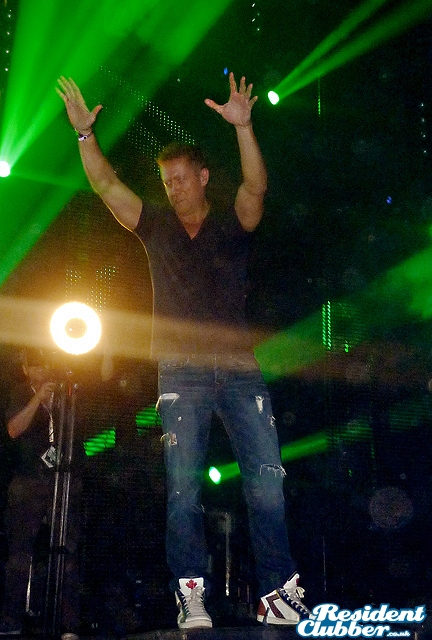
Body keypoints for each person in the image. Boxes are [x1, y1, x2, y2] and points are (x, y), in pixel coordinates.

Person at [56, 72, 311, 629]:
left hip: (240, 370)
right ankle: (190, 593)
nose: (172, 188)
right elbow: (106, 185)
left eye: (179, 179)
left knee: (267, 479)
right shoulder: (155, 226)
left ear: (202, 177)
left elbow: (256, 190)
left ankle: (277, 590)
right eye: (165, 181)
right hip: (181, 373)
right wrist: (84, 135)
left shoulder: (230, 225)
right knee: (182, 490)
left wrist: (243, 127)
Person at [0, 348, 83, 640]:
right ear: (26, 369)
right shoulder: (19, 393)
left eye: (46, 366)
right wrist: (37, 399)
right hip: (28, 482)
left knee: (67, 552)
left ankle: (68, 624)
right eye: (36, 367)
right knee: (19, 554)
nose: (42, 371)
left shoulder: (66, 393)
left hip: (63, 480)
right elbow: (13, 430)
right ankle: (11, 619)